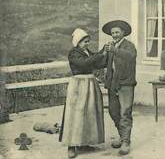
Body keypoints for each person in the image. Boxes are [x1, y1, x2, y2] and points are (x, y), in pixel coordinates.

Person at [59, 28, 107, 158]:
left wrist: (107, 53)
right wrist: (101, 53)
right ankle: (71, 145)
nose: (87, 44)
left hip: (90, 84)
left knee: (89, 112)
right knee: (76, 114)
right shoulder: (73, 53)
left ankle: (84, 142)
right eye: (85, 41)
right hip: (79, 85)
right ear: (78, 42)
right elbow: (84, 64)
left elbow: (98, 63)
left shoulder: (87, 51)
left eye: (88, 41)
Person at [102, 20, 137, 156]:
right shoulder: (110, 46)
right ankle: (122, 136)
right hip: (113, 84)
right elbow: (104, 63)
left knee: (125, 112)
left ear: (123, 33)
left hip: (126, 84)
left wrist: (114, 50)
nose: (115, 35)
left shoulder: (129, 46)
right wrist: (104, 54)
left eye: (117, 32)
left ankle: (126, 142)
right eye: (112, 33)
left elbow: (131, 57)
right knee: (113, 111)